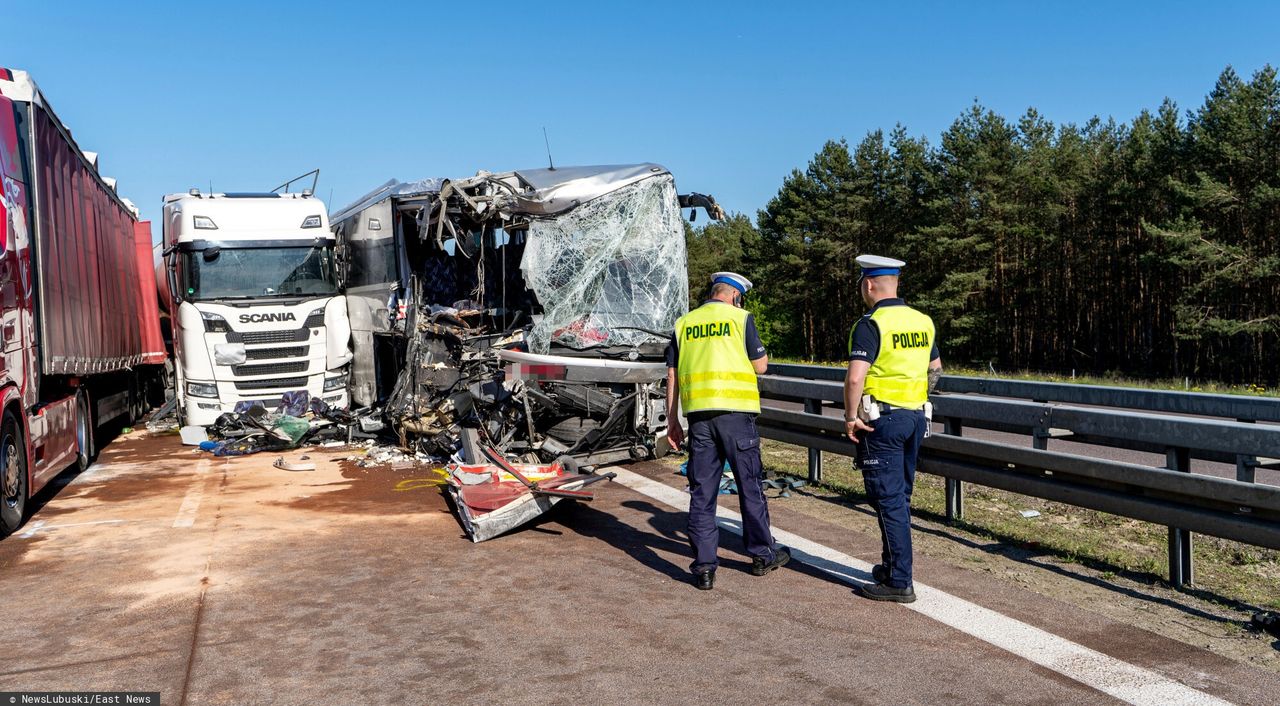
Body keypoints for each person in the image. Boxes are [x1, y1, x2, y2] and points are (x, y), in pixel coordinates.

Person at [666, 272, 790, 590]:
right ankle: (762, 554)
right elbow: (760, 365)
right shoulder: (740, 318)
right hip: (736, 416)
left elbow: (672, 375)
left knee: (702, 492)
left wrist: (672, 420)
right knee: (749, 486)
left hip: (699, 418)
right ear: (735, 296)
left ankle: (705, 568)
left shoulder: (684, 324)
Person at [843, 255, 942, 603]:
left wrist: (850, 416)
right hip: (915, 418)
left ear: (869, 285)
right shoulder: (923, 321)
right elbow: (936, 369)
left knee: (888, 500)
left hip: (882, 421)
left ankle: (900, 580)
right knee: (899, 497)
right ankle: (890, 567)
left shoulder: (871, 324)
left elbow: (856, 376)